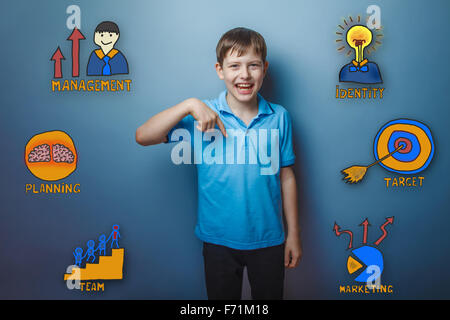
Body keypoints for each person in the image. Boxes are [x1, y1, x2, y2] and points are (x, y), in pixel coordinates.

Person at [136, 27, 302, 300]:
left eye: (253, 66)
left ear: (265, 69)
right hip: (218, 242)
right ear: (220, 70)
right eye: (234, 65)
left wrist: (293, 234)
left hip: (269, 239)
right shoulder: (202, 115)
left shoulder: (279, 117)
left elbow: (286, 176)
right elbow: (143, 136)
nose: (245, 74)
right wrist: (189, 104)